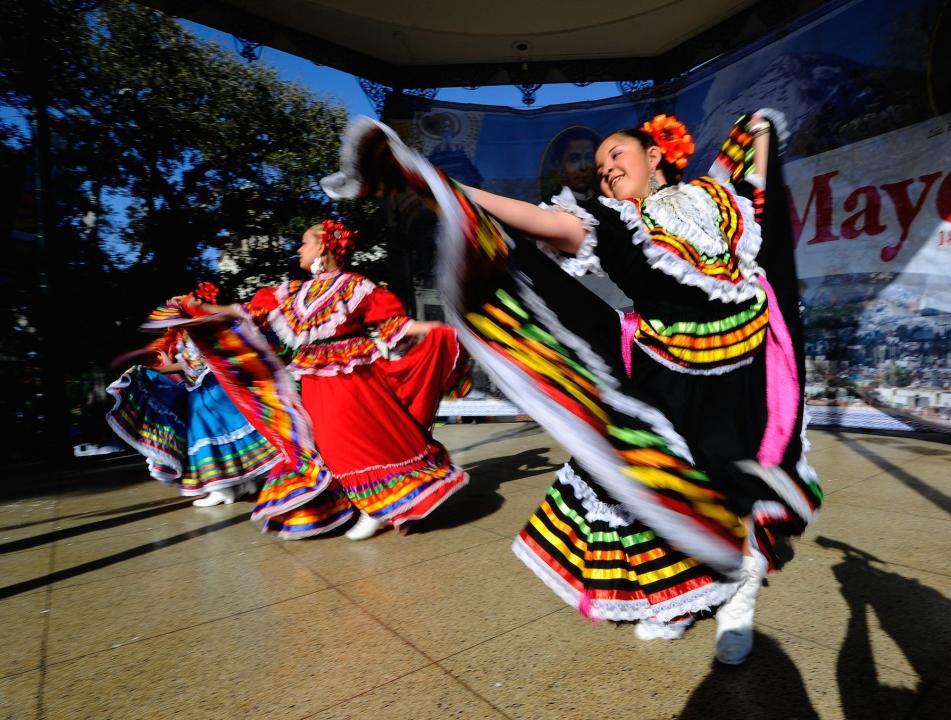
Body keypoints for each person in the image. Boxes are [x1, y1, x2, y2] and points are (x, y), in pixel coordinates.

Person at [321, 109, 821, 664]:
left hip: (747, 364)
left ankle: (739, 599)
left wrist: (760, 127)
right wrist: (443, 186)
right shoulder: (609, 221)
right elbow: (540, 223)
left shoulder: (716, 195)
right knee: (654, 479)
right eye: (600, 164)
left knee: (742, 480)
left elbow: (761, 184)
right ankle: (683, 595)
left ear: (654, 156)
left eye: (617, 156)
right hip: (665, 370)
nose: (606, 169)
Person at [187, 221, 471, 540]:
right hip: (314, 376)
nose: (299, 249)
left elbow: (394, 326)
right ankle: (361, 503)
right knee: (326, 442)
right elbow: (249, 312)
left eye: (304, 243)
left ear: (322, 246)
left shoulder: (356, 286)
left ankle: (375, 507)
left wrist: (432, 329)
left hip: (351, 374)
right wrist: (206, 308)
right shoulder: (294, 291)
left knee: (351, 439)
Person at [106, 283, 280, 506]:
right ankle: (236, 484)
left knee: (204, 433)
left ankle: (225, 488)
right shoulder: (187, 335)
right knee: (215, 434)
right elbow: (185, 364)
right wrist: (152, 370)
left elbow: (200, 362)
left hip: (212, 389)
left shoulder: (204, 330)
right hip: (204, 389)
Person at [538, 125, 601, 203]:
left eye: (589, 158)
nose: (583, 166)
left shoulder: (605, 202)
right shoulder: (552, 206)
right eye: (574, 159)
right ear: (559, 166)